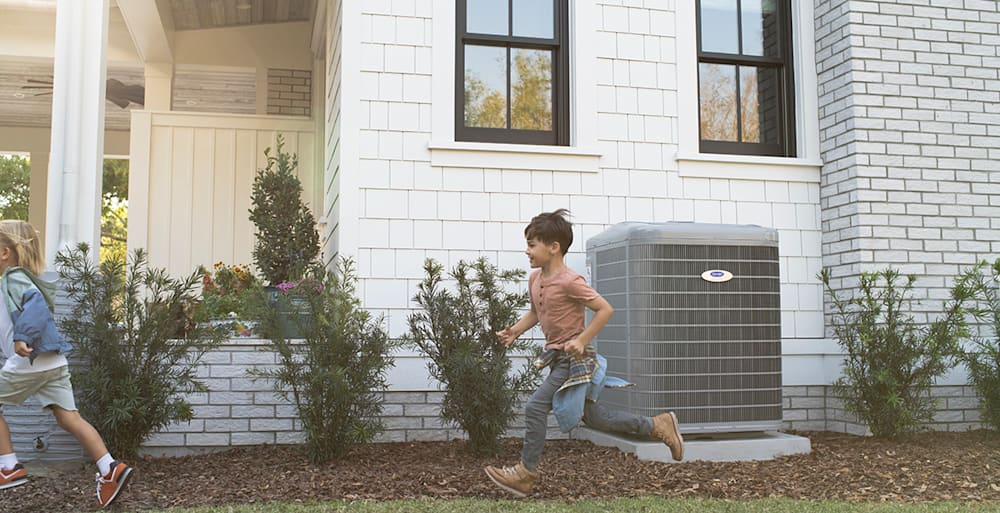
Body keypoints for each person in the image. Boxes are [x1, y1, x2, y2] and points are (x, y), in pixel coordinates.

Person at [485, 209, 683, 497]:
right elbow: (536, 312)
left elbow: (605, 309)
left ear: (553, 247)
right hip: (558, 359)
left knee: (535, 407)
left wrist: (581, 340)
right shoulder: (535, 279)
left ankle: (526, 474)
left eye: (532, 244)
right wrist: (514, 331)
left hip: (574, 360)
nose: (527, 250)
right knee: (594, 417)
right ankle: (656, 425)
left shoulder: (570, 281)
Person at [0, 220, 133, 508]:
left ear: (5, 253)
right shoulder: (16, 279)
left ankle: (8, 466)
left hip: (30, 361)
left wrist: (22, 337)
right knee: (68, 418)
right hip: (53, 362)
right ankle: (110, 468)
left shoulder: (14, 278)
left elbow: (35, 306)